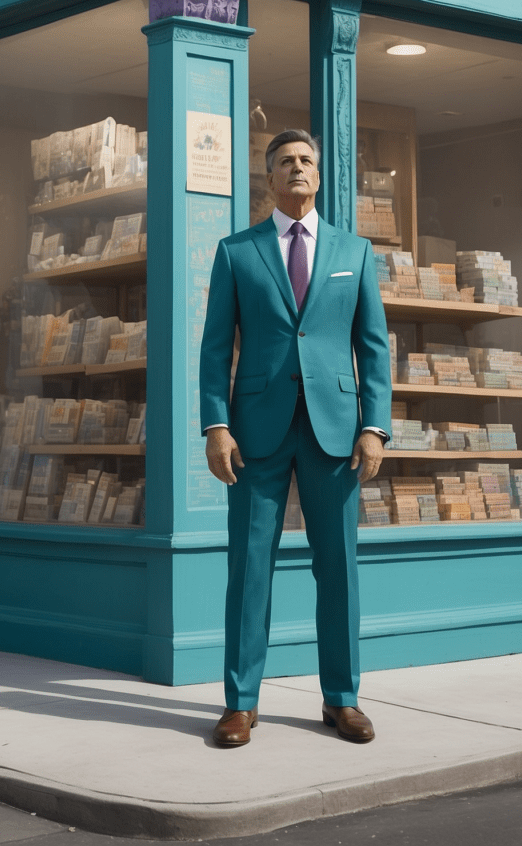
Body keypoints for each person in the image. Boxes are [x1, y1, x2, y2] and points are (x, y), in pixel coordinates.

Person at [199, 129, 392, 747]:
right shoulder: (237, 252)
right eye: (286, 161)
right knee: (249, 569)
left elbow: (374, 348)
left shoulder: (354, 252)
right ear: (270, 177)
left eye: (307, 160)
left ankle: (342, 699)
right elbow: (212, 350)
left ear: (318, 174)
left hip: (335, 432)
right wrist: (216, 425)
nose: (298, 168)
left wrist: (373, 426)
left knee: (338, 570)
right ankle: (240, 702)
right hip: (255, 433)